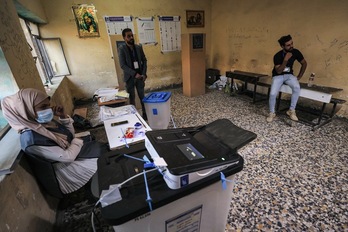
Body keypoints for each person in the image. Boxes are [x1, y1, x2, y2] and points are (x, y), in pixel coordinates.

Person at [1, 88, 105, 194]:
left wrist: (63, 117)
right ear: (26, 110)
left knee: (103, 148)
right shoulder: (31, 141)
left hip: (69, 157)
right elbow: (68, 157)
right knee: (105, 158)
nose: (49, 109)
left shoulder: (40, 123)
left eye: (48, 105)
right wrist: (77, 141)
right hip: (66, 174)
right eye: (43, 107)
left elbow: (70, 136)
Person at [267, 34, 307, 123]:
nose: (291, 46)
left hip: (289, 75)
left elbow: (304, 63)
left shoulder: (296, 52)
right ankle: (272, 112)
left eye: (292, 43)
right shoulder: (277, 56)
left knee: (296, 87)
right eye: (288, 45)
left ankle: (291, 110)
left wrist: (300, 76)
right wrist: (285, 60)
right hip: (278, 76)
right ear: (282, 46)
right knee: (273, 93)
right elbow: (279, 71)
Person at [118, 28, 148, 120]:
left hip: (140, 77)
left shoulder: (138, 47)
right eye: (128, 36)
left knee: (142, 96)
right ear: (124, 38)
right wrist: (134, 74)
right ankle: (134, 116)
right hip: (130, 78)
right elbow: (123, 65)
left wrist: (143, 74)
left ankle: (145, 113)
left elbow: (144, 60)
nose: (131, 37)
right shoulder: (122, 49)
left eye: (132, 35)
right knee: (132, 99)